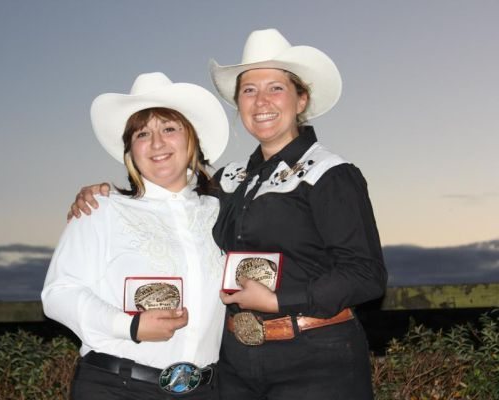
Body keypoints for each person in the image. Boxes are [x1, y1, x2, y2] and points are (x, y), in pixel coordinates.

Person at [69, 29, 387, 400]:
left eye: (276, 88)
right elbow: (168, 202)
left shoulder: (330, 174)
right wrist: (108, 193)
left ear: (301, 99)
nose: (261, 101)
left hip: (316, 359)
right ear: (238, 103)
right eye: (249, 90)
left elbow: (367, 274)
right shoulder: (228, 178)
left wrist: (279, 301)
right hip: (235, 363)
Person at [42, 72, 229, 399]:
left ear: (192, 140)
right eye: (143, 133)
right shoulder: (101, 209)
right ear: (130, 150)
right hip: (118, 387)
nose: (157, 143)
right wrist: (129, 326)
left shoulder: (220, 210)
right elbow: (58, 294)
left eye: (169, 128)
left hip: (205, 390)